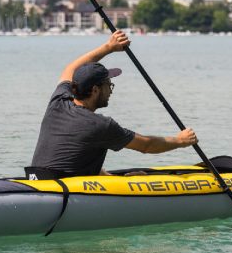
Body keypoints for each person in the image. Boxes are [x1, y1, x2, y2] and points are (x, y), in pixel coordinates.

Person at [26, 30, 197, 179]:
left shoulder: (58, 102)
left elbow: (70, 69)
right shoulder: (100, 125)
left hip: (38, 180)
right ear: (95, 90)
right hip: (64, 192)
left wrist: (109, 47)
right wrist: (181, 140)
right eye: (109, 85)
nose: (111, 90)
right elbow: (146, 145)